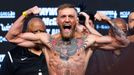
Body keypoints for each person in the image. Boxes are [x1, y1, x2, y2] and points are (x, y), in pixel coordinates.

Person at [5, 4, 129, 75]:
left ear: (76, 20)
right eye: (63, 16)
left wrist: (108, 20)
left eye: (71, 16)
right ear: (57, 21)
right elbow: (11, 37)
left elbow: (123, 43)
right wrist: (26, 13)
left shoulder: (88, 41)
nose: (67, 19)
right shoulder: (46, 40)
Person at [1, 6, 48, 75]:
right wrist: (26, 13)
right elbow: (10, 37)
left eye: (42, 31)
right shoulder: (13, 56)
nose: (39, 35)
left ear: (46, 33)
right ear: (27, 33)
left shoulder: (52, 48)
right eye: (35, 32)